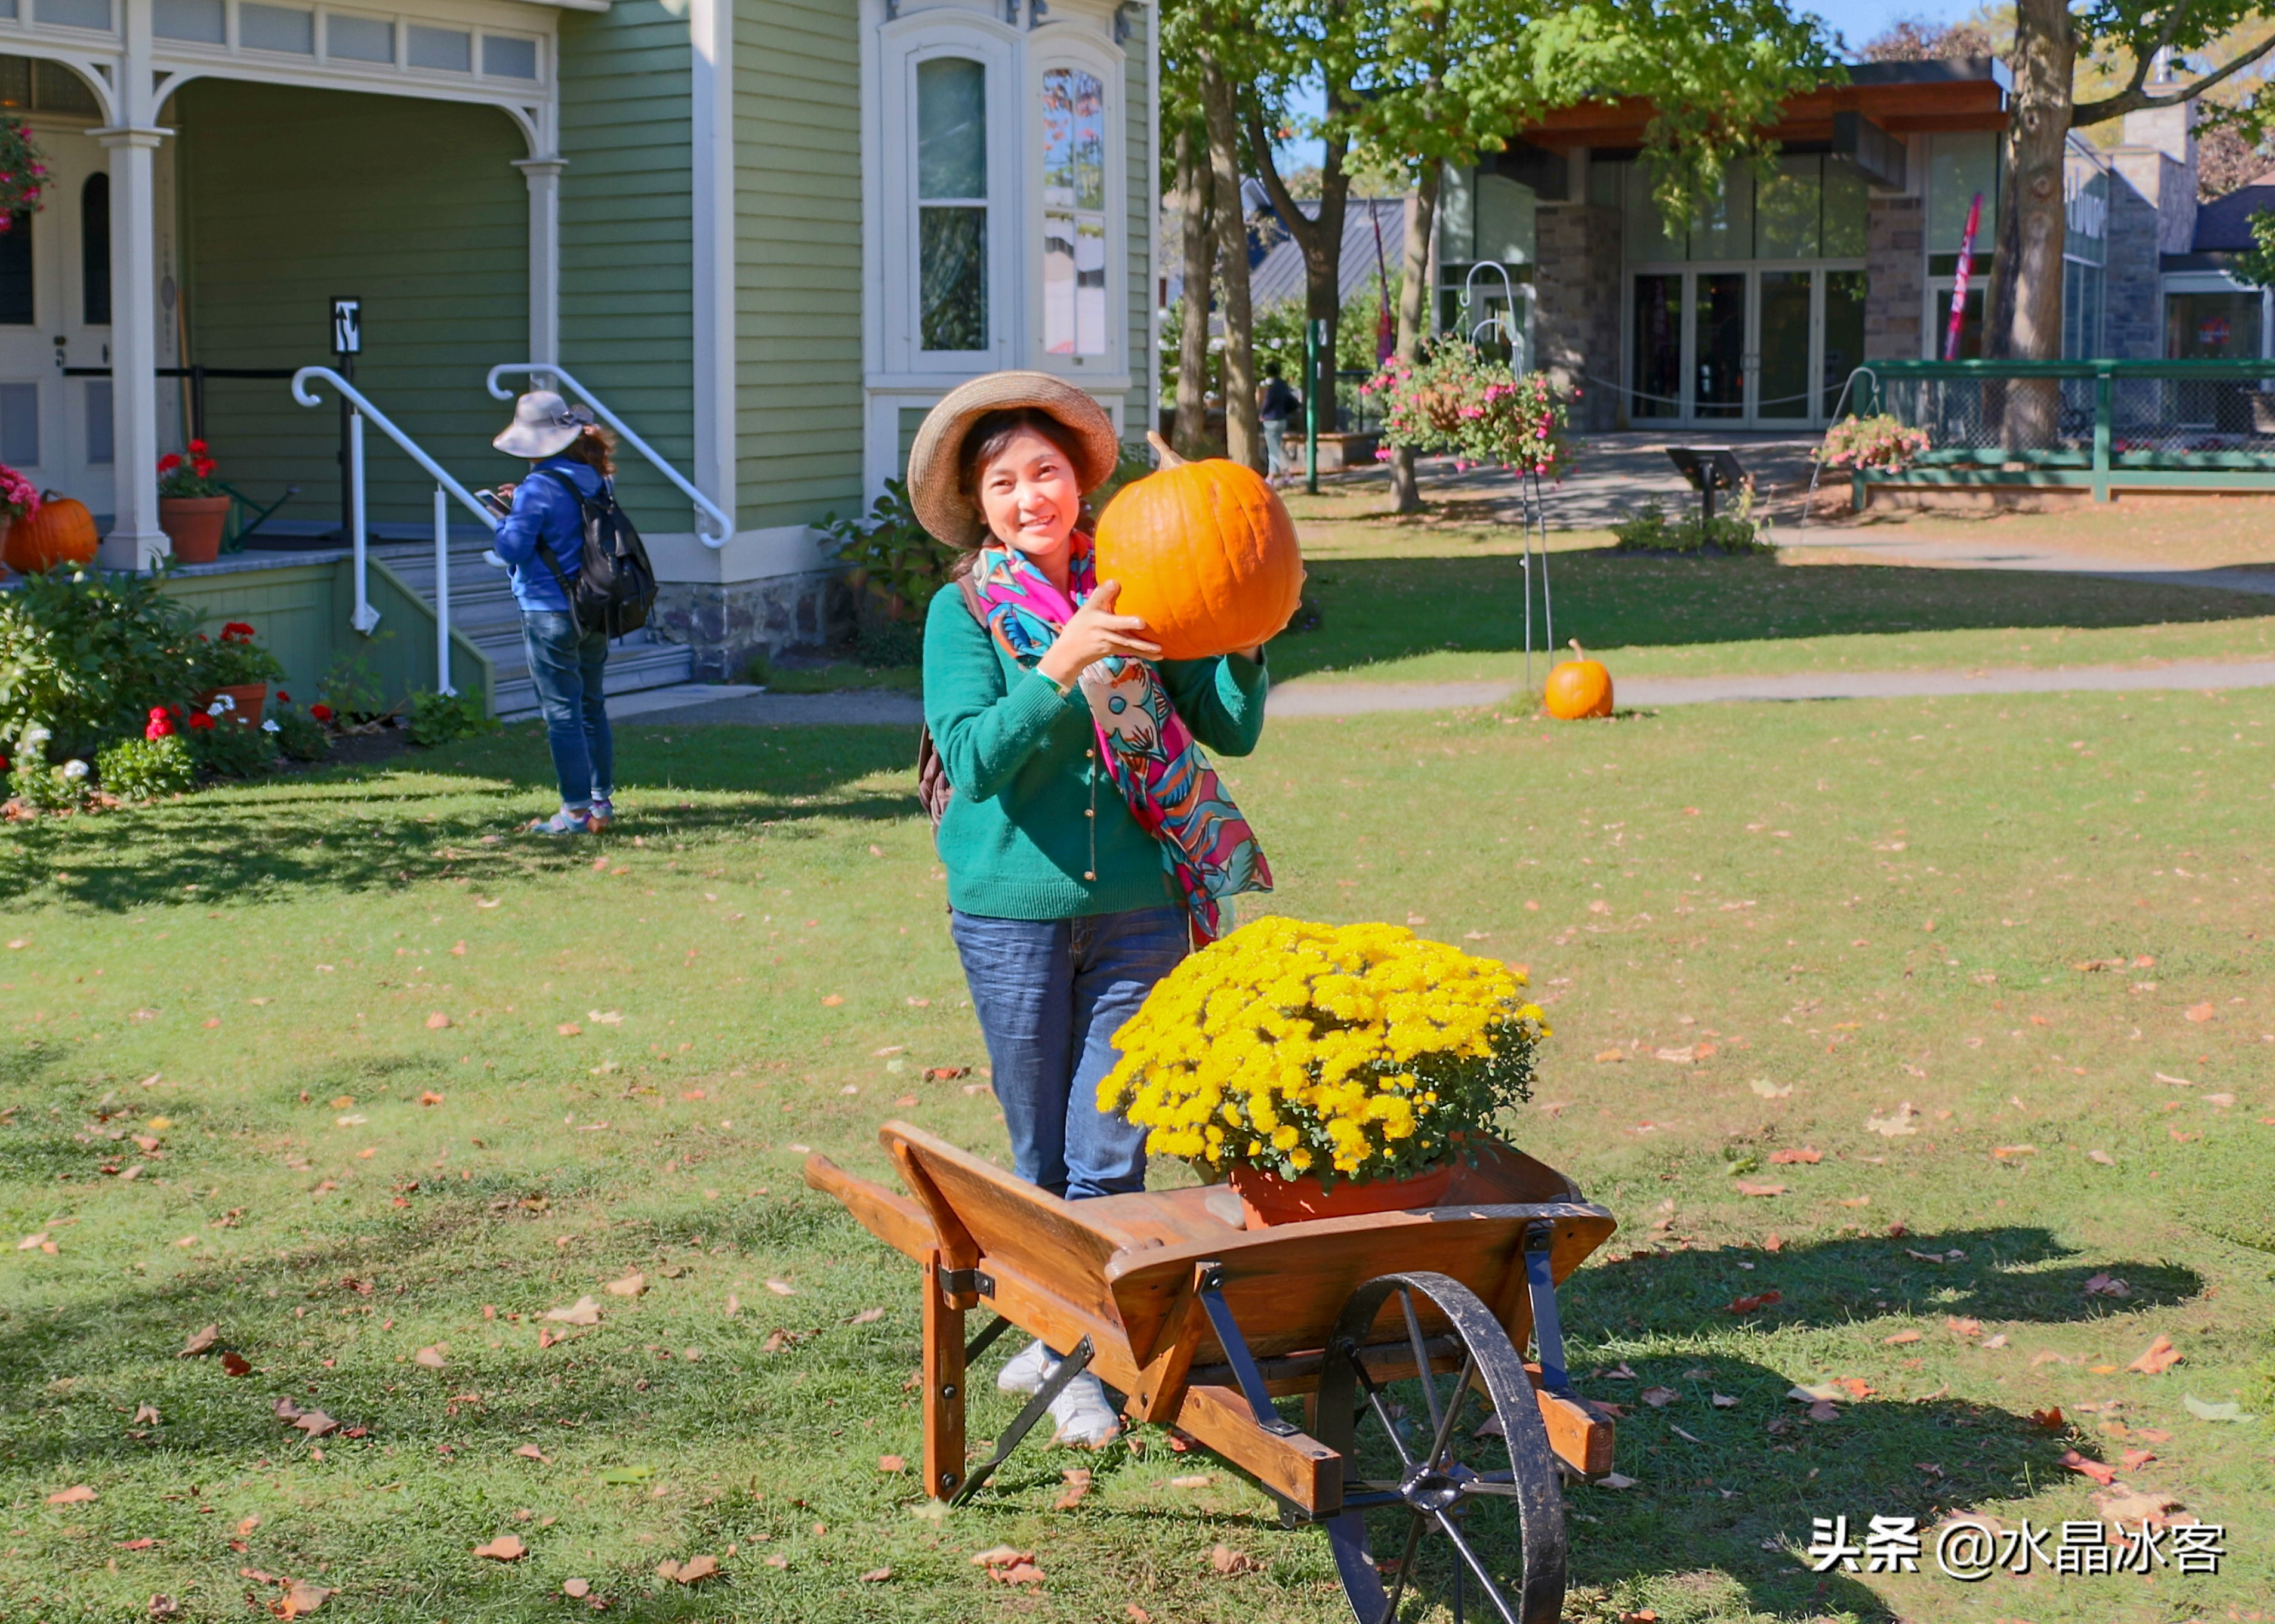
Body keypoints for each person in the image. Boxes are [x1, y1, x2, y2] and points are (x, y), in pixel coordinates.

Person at [911, 372, 1275, 1447]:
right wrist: (1060, 667)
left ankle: (1081, 1353)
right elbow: (972, 756)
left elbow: (1227, 722)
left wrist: (1245, 617)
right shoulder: (963, 612)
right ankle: (1056, 1329)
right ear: (980, 505)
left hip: (1142, 904)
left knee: (1110, 1147)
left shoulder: (1143, 580)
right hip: (1010, 911)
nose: (1030, 495)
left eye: (1045, 472)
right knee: (1039, 1158)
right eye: (1003, 481)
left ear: (1078, 482)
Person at [490, 391, 619, 835]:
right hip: (594, 605)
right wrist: (522, 503)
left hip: (548, 610)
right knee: (591, 706)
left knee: (561, 711)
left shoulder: (537, 488)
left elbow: (512, 547)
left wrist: (504, 516)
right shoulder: (596, 479)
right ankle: (601, 804)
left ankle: (576, 814)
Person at [1257, 359, 1302, 484]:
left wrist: (1262, 414)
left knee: (1273, 449)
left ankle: (1272, 476)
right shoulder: (1283, 385)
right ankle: (1287, 473)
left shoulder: (1272, 388)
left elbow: (1268, 402)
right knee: (1279, 447)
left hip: (1271, 420)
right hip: (1282, 419)